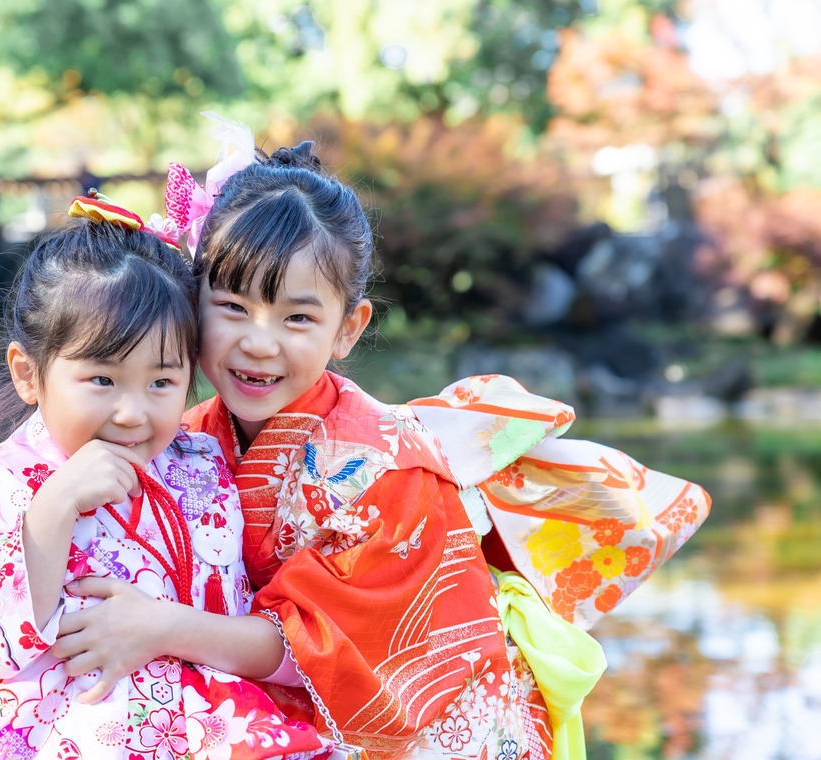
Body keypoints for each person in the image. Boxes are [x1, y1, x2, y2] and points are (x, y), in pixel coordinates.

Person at [51, 123, 711, 760]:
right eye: (232, 307)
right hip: (281, 716)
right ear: (193, 300)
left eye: (297, 317)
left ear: (348, 328)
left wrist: (162, 627)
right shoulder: (191, 434)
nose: (259, 342)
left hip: (438, 732)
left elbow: (320, 646)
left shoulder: (383, 470)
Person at [0, 194, 339, 760]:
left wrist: (168, 628)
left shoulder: (204, 467)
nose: (132, 413)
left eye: (161, 383)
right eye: (102, 380)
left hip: (207, 732)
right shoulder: (0, 484)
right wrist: (54, 506)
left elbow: (271, 632)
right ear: (28, 373)